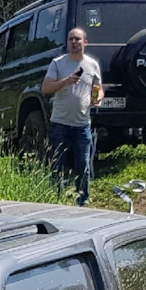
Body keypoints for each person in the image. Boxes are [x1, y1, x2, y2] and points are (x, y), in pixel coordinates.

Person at [40, 27, 102, 206]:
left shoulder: (92, 65)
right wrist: (65, 81)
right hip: (60, 123)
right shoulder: (58, 63)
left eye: (77, 39)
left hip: (82, 124)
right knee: (57, 164)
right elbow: (46, 88)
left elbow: (98, 87)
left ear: (85, 42)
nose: (74, 42)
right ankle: (55, 199)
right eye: (70, 39)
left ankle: (82, 200)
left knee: (83, 165)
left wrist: (98, 97)